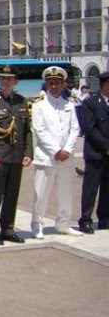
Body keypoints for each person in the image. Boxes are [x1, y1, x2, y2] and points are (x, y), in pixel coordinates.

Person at [0, 65, 33, 245]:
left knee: (12, 194)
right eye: (3, 78)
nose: (6, 81)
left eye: (9, 78)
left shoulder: (22, 102)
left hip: (16, 155)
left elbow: (27, 130)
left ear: (15, 81)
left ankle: (8, 228)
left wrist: (28, 152)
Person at [30, 66, 82, 238]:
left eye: (57, 83)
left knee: (65, 193)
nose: (54, 86)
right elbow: (40, 130)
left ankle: (63, 224)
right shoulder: (39, 106)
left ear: (63, 85)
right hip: (47, 157)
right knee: (41, 194)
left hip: (66, 157)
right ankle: (37, 225)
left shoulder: (69, 104)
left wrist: (67, 149)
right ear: (46, 84)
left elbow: (75, 129)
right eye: (51, 83)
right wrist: (56, 150)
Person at [78, 71, 109, 234]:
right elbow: (90, 129)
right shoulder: (90, 103)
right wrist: (106, 146)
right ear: (105, 84)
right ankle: (85, 219)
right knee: (90, 189)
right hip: (95, 153)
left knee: (107, 188)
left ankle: (104, 219)